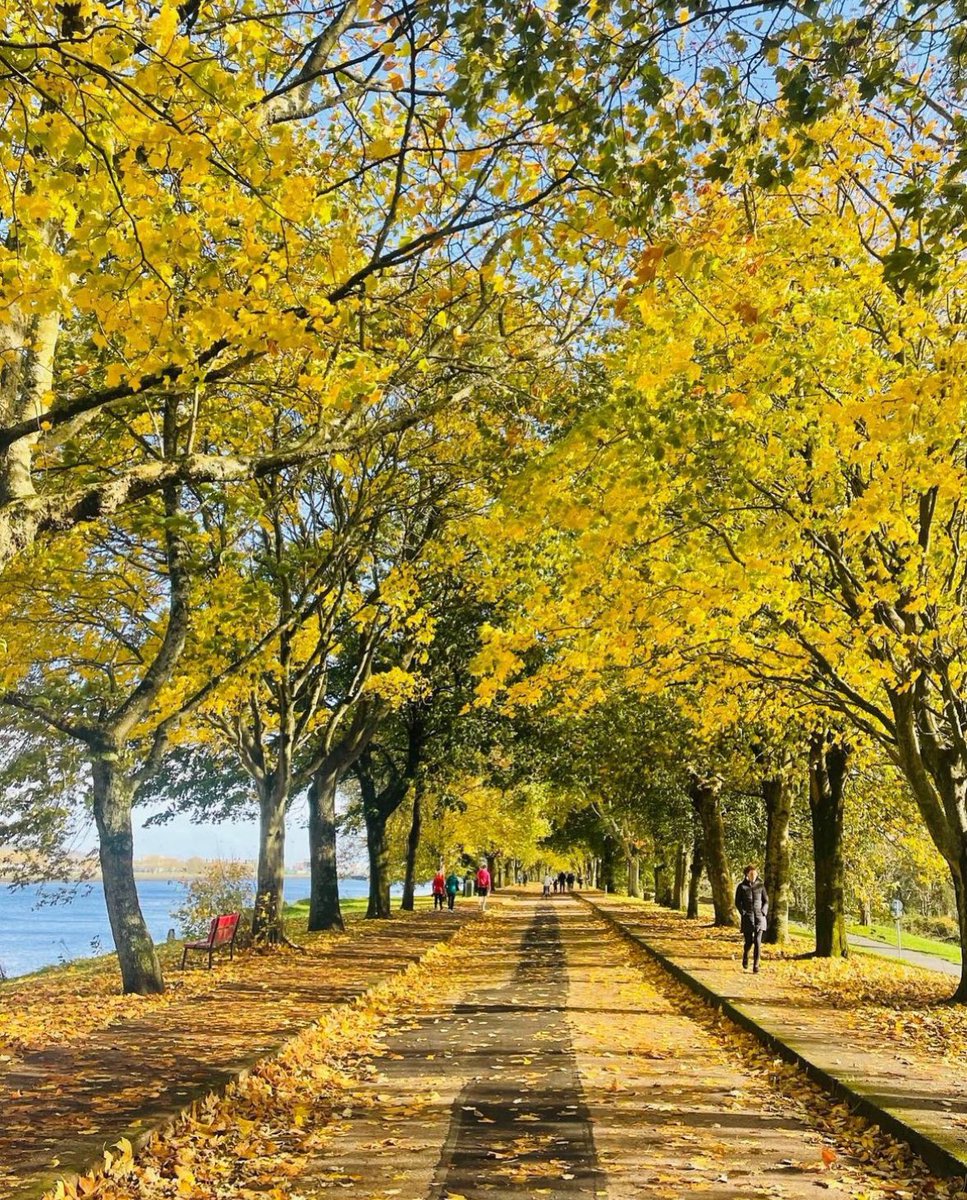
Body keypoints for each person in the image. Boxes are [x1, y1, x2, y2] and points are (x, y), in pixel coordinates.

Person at [735, 864, 769, 973]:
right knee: (749, 942)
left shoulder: (761, 886)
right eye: (751, 874)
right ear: (747, 875)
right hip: (748, 918)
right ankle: (745, 955)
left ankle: (756, 965)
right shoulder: (741, 887)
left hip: (760, 918)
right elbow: (737, 902)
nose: (753, 875)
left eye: (755, 873)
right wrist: (743, 912)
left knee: (758, 942)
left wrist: (763, 912)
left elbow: (766, 901)